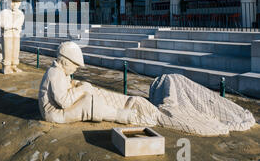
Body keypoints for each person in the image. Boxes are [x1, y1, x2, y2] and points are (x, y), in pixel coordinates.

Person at [38, 41, 256, 136]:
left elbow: (65, 93)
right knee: (91, 102)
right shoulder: (56, 73)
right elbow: (65, 102)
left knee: (104, 95)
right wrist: (81, 88)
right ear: (65, 61)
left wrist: (78, 85)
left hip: (62, 107)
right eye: (75, 66)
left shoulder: (59, 73)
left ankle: (130, 107)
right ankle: (125, 115)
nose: (75, 69)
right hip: (57, 113)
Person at [0, 0, 25, 74]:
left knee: (16, 50)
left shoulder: (20, 13)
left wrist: (16, 27)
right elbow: (0, 23)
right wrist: (8, 26)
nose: (15, 4)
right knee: (7, 49)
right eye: (13, 1)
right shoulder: (4, 12)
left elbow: (20, 23)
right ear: (9, 1)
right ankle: (6, 67)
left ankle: (14, 66)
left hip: (16, 34)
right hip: (7, 34)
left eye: (17, 2)